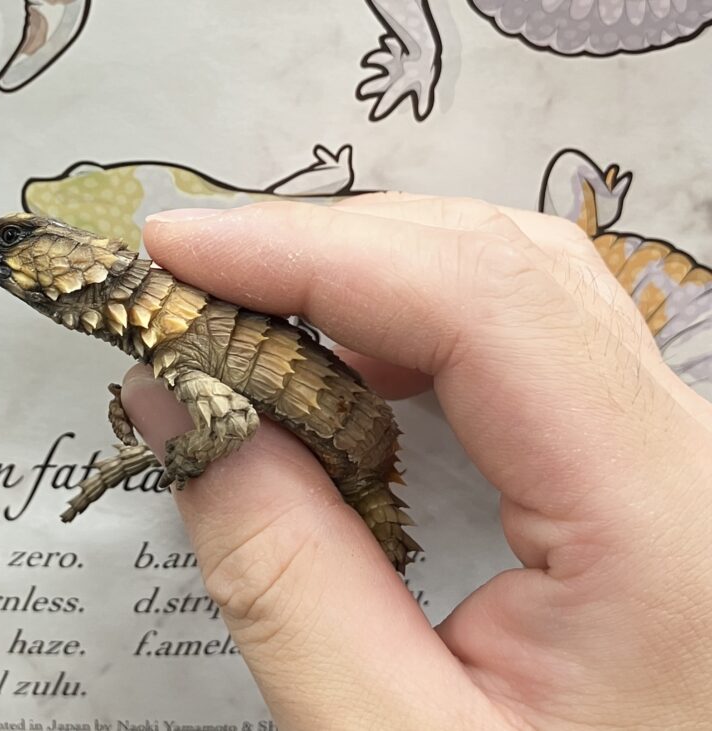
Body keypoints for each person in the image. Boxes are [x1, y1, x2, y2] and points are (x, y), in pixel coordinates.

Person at [119, 194, 712, 729]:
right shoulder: (169, 326)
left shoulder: (174, 335)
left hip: (352, 442)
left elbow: (229, 423)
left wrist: (182, 454)